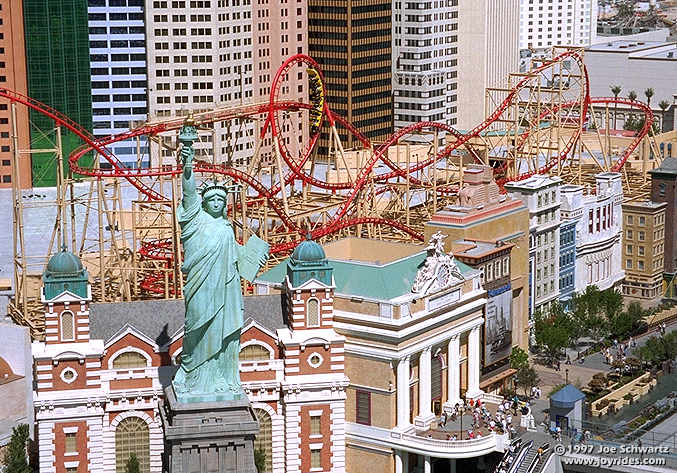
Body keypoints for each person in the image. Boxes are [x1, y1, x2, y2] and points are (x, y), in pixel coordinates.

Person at [172, 117, 269, 401]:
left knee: (228, 335)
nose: (216, 203)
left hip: (227, 290)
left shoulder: (227, 227)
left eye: (220, 200)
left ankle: (224, 377)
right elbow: (188, 188)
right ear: (203, 203)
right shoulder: (194, 219)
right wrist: (187, 159)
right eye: (211, 199)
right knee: (198, 329)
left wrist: (255, 255)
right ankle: (193, 377)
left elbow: (238, 257)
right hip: (202, 288)